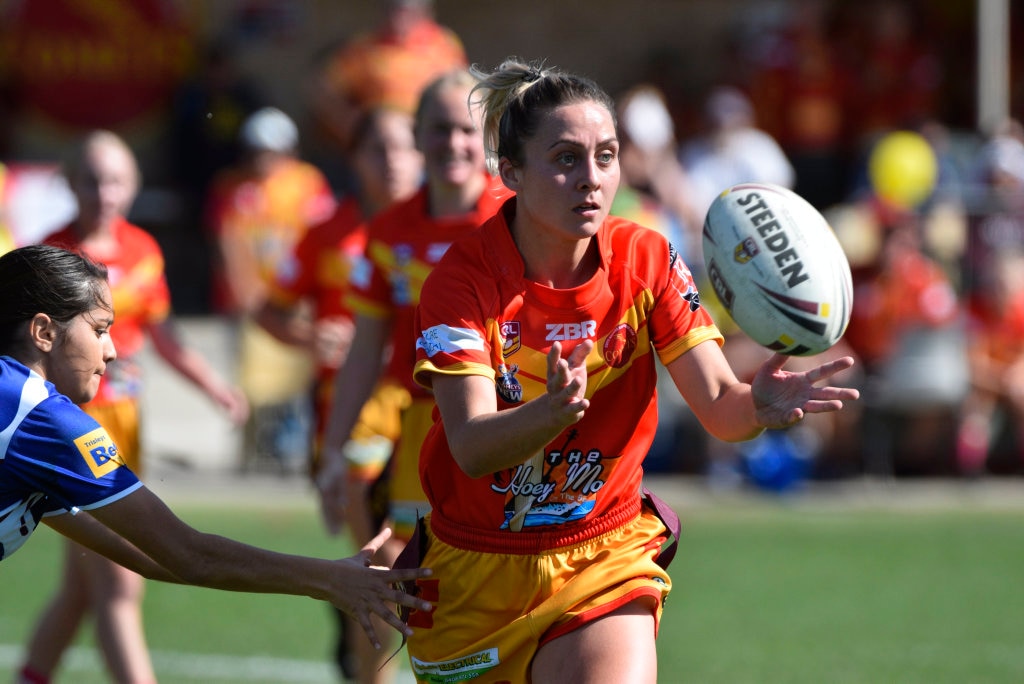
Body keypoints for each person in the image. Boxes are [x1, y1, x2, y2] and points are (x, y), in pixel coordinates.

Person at [402, 58, 860, 683]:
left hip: (602, 555)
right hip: (475, 573)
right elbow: (472, 447)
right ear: (509, 172)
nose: (591, 178)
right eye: (565, 158)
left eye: (607, 155)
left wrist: (759, 405)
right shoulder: (463, 282)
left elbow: (721, 407)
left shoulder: (646, 258)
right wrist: (549, 414)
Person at [1, 245, 433, 683]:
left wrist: (327, 578)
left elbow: (152, 556)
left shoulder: (21, 410)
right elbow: (187, 553)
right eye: (100, 330)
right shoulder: (44, 419)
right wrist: (329, 579)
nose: (112, 351)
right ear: (43, 332)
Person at [17, 129, 248, 684]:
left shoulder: (144, 249)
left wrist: (211, 384)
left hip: (126, 425)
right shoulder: (51, 257)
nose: (105, 191)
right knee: (120, 579)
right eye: (92, 179)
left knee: (83, 585)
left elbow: (161, 334)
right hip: (69, 430)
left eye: (117, 179)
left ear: (134, 186)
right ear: (71, 184)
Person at [317, 69, 511, 682]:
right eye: (438, 129)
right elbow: (364, 348)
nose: (452, 143)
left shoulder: (515, 219)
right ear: (418, 138)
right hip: (421, 429)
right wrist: (331, 449)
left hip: (504, 426)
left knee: (495, 579)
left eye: (464, 129)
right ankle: (366, 668)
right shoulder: (390, 230)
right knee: (397, 575)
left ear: (486, 141)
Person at [254, 106, 424, 680]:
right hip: (348, 419)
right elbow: (269, 311)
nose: (394, 161)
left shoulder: (438, 230)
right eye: (380, 149)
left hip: (428, 413)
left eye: (405, 147)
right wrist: (311, 335)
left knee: (405, 566)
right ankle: (368, 664)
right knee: (379, 566)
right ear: (355, 159)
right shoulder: (329, 233)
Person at [204, 107, 336, 471]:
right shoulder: (230, 187)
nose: (262, 159)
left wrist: (310, 298)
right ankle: (251, 459)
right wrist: (245, 297)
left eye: (271, 151)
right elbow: (227, 245)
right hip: (250, 305)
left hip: (296, 304)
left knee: (297, 384)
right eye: (255, 151)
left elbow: (321, 242)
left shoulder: (308, 183)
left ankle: (296, 456)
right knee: (251, 385)